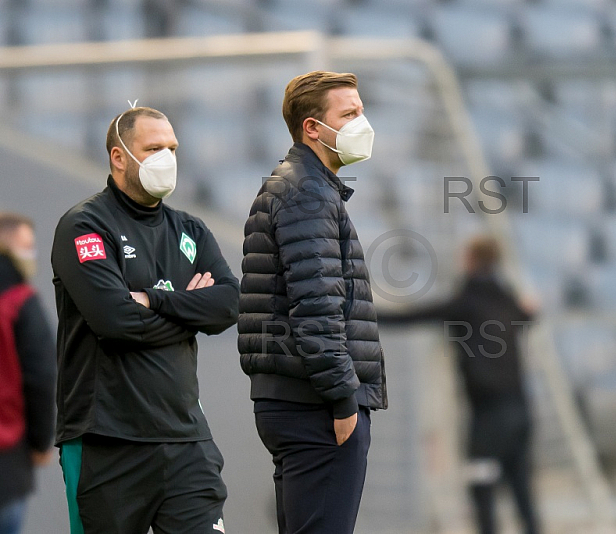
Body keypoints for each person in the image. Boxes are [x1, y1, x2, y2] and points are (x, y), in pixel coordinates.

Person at [51, 106, 239, 534]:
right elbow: (115, 322)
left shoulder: (189, 229)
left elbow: (229, 304)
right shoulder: (84, 226)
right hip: (106, 441)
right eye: (153, 148)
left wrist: (153, 300)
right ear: (119, 157)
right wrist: (191, 312)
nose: (166, 158)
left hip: (186, 439)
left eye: (171, 148)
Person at [238, 71, 387, 534]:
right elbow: (316, 305)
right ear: (312, 128)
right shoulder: (306, 191)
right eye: (349, 114)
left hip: (299, 401)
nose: (363, 122)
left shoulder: (307, 186)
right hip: (317, 406)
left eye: (361, 111)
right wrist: (343, 401)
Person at [379, 235, 541, 534]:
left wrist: (370, 315)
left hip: (489, 417)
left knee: (482, 489)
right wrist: (532, 311)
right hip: (521, 410)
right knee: (522, 494)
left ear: (470, 260)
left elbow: (417, 315)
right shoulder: (506, 298)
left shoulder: (467, 302)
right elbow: (529, 314)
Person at [0, 214, 56, 534]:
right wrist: (41, 441)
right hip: (7, 465)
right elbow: (41, 376)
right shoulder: (20, 302)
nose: (32, 255)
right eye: (26, 247)